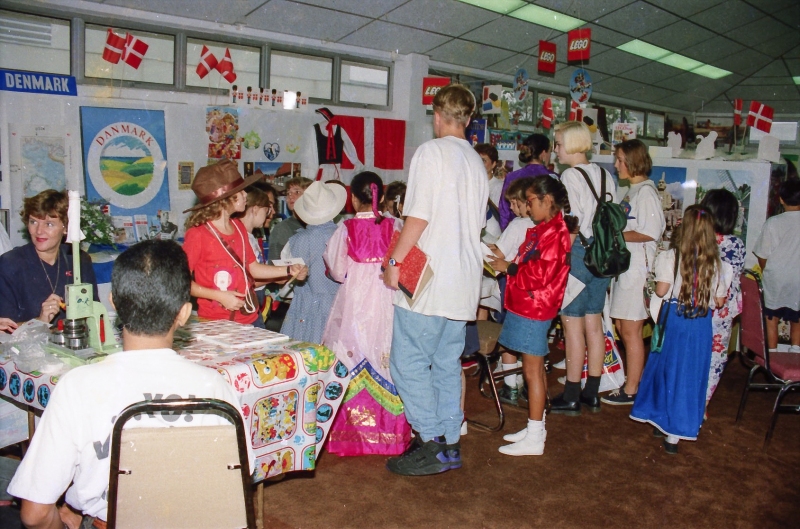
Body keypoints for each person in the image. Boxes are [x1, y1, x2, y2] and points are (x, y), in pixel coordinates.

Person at [6, 239, 254, 529]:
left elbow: (34, 515)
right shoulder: (213, 386)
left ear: (113, 304)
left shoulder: (77, 386)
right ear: (185, 314)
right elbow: (236, 480)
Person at [383, 83, 488, 476]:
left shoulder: (430, 152)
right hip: (463, 280)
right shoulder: (476, 162)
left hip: (428, 278)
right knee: (446, 364)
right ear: (468, 118)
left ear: (437, 116)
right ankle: (449, 442)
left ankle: (428, 440)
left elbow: (418, 217)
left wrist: (394, 259)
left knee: (407, 361)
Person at [322, 171, 411, 456]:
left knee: (351, 354)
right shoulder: (396, 225)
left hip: (356, 302)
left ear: (351, 197)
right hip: (387, 300)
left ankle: (350, 435)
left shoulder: (345, 228)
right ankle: (390, 435)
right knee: (386, 355)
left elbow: (336, 270)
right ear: (382, 197)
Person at [630, 206, 731, 454]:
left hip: (674, 321)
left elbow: (662, 291)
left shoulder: (671, 257)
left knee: (665, 369)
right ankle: (674, 430)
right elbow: (719, 301)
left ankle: (662, 420)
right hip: (699, 326)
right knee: (688, 375)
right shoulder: (719, 265)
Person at [497, 175, 572, 456]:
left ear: (546, 200)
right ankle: (534, 427)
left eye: (530, 202)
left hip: (535, 307)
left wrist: (510, 268)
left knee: (532, 372)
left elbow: (541, 274)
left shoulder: (555, 232)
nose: (527, 208)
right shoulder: (544, 229)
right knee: (534, 370)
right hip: (527, 305)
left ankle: (536, 436)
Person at [183, 160, 307, 326]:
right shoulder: (198, 235)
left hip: (251, 317)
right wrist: (219, 296)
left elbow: (253, 268)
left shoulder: (239, 228)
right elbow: (181, 281)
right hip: (216, 323)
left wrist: (288, 270)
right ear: (225, 199)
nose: (245, 195)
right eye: (241, 192)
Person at [551, 121, 617, 415]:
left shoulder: (569, 177)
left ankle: (572, 393)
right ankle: (592, 391)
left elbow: (572, 224)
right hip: (603, 257)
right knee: (594, 323)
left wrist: (561, 257)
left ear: (573, 144)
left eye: (558, 144)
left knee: (571, 325)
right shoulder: (605, 174)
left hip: (579, 253)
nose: (556, 150)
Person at [602, 139, 665, 406]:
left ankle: (632, 388)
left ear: (633, 160)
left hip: (638, 271)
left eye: (619, 160)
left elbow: (651, 232)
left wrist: (615, 234)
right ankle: (631, 381)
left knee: (630, 330)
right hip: (627, 270)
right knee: (623, 327)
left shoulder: (646, 193)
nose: (616, 165)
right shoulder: (633, 191)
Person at [0, 189, 98, 326]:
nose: (39, 231)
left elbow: (94, 316)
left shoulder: (79, 260)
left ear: (66, 228)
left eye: (49, 224)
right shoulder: (10, 264)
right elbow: (4, 329)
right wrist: (39, 322)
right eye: (33, 222)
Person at [485, 177, 536, 404]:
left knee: (507, 336)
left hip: (513, 285)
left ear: (527, 203)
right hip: (535, 292)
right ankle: (526, 383)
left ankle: (510, 386)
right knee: (529, 339)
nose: (512, 209)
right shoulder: (543, 224)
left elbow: (500, 253)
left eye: (515, 204)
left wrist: (483, 248)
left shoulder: (517, 225)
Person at [279, 181, 345, 344]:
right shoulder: (342, 237)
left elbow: (284, 276)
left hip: (302, 306)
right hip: (335, 305)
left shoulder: (295, 240)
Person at [700, 189, 746, 404]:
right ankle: (703, 404)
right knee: (715, 359)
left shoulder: (696, 240)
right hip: (722, 311)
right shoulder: (736, 244)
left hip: (694, 307)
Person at [753, 178, 800, 352]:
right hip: (798, 277)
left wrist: (769, 271)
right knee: (797, 317)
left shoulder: (773, 223)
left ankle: (771, 360)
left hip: (775, 276)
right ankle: (795, 356)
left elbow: (762, 255)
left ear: (781, 199)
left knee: (771, 317)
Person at [234, 181, 279, 325]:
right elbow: (249, 275)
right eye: (267, 210)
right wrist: (281, 274)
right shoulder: (242, 237)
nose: (270, 214)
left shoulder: (251, 236)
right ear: (255, 209)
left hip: (256, 297)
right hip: (248, 299)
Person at [498, 134, 557, 230]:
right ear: (543, 153)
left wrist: (506, 231)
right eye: (549, 152)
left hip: (516, 230)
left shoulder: (512, 176)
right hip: (544, 231)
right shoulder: (553, 178)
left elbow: (504, 209)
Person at [268, 176, 312, 263]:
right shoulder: (281, 229)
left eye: (297, 192)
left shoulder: (320, 226)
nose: (291, 196)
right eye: (288, 193)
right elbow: (274, 264)